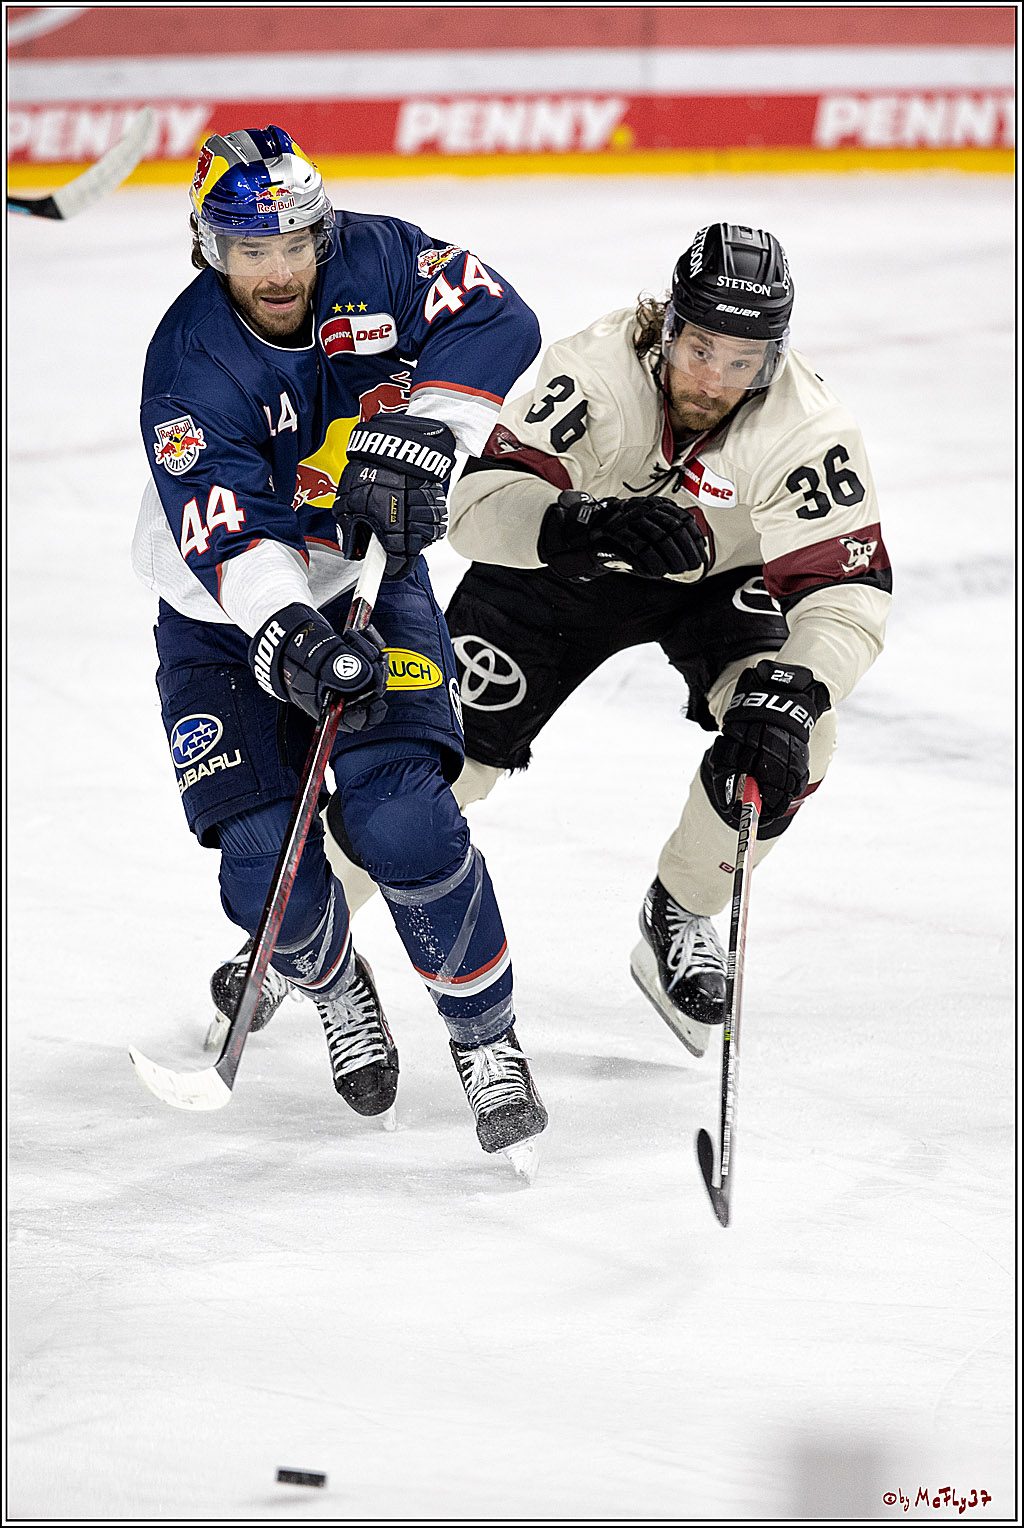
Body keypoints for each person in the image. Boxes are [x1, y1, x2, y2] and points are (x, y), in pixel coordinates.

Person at [309, 221, 891, 1060]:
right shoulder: (593, 372)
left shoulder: (806, 424)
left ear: (774, 356)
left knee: (794, 742)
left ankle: (683, 908)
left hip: (719, 582)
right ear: (668, 328)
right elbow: (475, 512)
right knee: (440, 762)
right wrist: (579, 521)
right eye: (700, 350)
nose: (715, 380)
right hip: (560, 564)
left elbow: (845, 591)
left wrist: (792, 693)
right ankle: (300, 930)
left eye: (743, 361)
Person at [133, 126, 548, 1161]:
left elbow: (497, 311)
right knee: (264, 871)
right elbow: (226, 537)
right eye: (249, 248)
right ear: (208, 249)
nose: (277, 270)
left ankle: (485, 1039)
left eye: (294, 243)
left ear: (324, 232)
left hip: (370, 577)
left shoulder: (379, 257)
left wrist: (430, 435)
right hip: (223, 614)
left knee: (404, 821)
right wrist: (293, 638)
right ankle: (332, 982)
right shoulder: (191, 366)